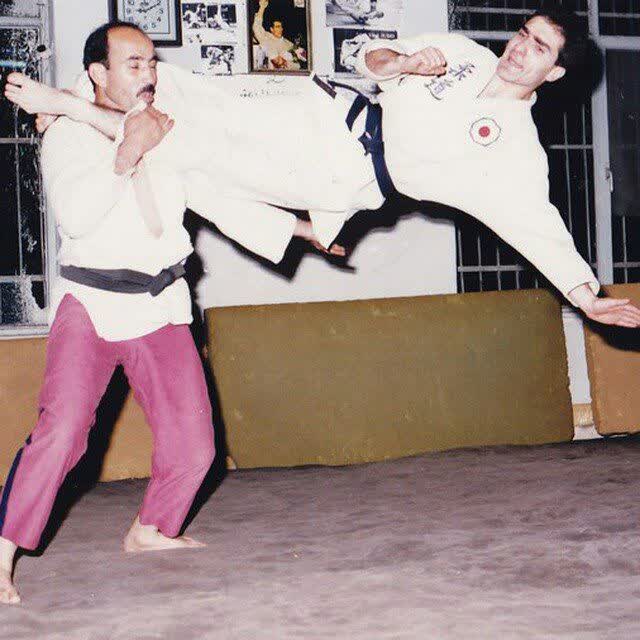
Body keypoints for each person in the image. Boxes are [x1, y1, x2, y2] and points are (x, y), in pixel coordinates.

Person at [0, 21, 333, 606]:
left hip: (160, 303)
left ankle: (151, 528)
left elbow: (217, 197)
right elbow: (77, 216)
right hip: (93, 303)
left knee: (195, 446)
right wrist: (127, 151)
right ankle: (1, 554)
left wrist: (303, 230)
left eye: (152, 62)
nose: (149, 73)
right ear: (97, 74)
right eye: (133, 64)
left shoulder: (165, 127)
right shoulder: (67, 136)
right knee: (62, 433)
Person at [252, 0, 300, 70]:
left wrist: (285, 63)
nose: (281, 29)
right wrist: (262, 7)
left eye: (281, 27)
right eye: (277, 27)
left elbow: (298, 65)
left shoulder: (289, 44)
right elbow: (257, 27)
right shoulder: (266, 38)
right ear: (271, 29)